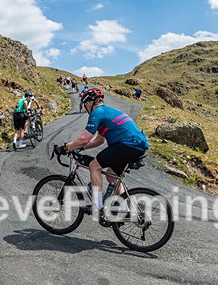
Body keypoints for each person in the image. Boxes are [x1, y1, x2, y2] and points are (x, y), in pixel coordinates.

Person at [56, 88, 149, 218]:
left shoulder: (97, 112)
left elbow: (84, 138)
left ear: (89, 103)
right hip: (138, 144)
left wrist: (66, 147)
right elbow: (99, 140)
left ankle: (97, 206)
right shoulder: (107, 112)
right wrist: (80, 148)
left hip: (128, 144)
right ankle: (124, 211)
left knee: (94, 166)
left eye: (85, 105)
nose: (86, 108)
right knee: (112, 174)